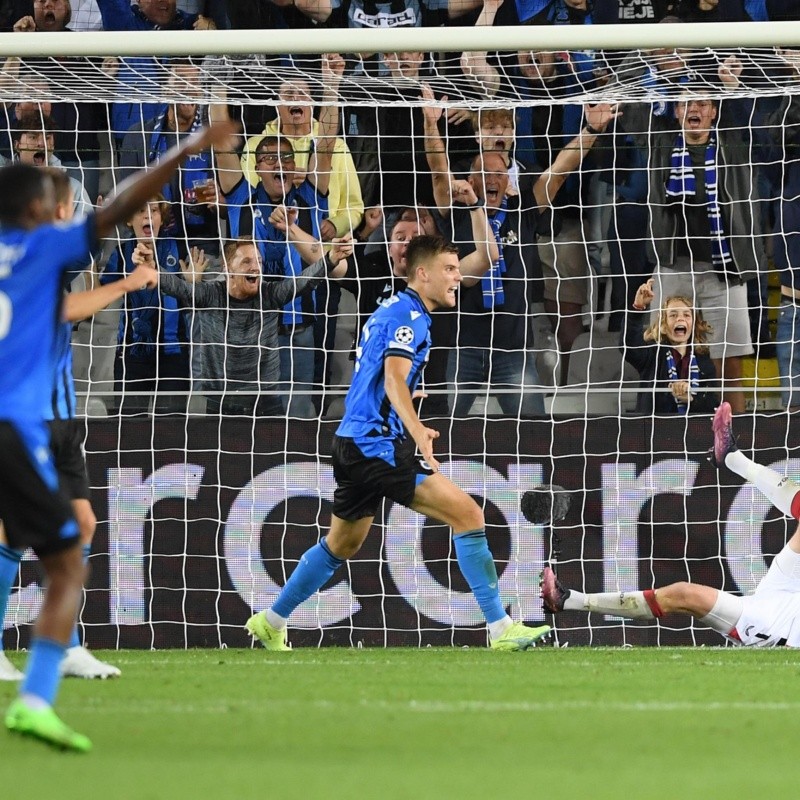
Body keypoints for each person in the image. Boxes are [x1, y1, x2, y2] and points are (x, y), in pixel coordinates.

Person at [0, 119, 234, 751]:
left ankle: (50, 670)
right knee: (63, 553)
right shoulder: (44, 248)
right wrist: (186, 150)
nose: (60, 207)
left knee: (68, 535)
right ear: (33, 209)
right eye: (53, 201)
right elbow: (123, 204)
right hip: (19, 424)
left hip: (42, 417)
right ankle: (34, 697)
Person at [246, 235, 551, 652]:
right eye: (449, 269)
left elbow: (376, 372)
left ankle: (272, 619)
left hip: (353, 441)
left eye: (458, 269)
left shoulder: (390, 308)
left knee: (343, 544)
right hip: (378, 445)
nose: (458, 276)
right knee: (468, 515)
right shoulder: (411, 316)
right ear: (421, 273)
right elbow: (391, 377)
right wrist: (417, 429)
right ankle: (500, 628)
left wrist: (406, 395)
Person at [0, 169, 157, 682]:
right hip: (29, 413)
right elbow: (61, 310)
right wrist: (129, 283)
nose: (70, 212)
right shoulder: (26, 251)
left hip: (62, 414)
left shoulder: (51, 249)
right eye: (67, 204)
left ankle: (65, 646)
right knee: (14, 533)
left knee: (82, 525)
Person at [539, 400, 800, 647]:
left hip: (777, 622)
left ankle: (567, 600)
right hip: (785, 588)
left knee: (682, 594)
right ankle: (731, 457)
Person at [157, 231, 352, 416]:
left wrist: (330, 258)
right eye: (247, 261)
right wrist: (151, 267)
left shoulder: (269, 294)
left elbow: (303, 282)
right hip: (220, 401)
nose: (256, 267)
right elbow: (177, 287)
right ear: (227, 268)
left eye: (259, 261)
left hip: (265, 402)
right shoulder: (210, 294)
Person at [100, 196, 194, 414]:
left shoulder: (179, 249)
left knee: (171, 431)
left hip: (174, 352)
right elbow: (100, 297)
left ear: (161, 218)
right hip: (132, 354)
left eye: (154, 211)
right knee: (130, 431)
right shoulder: (122, 253)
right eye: (141, 210)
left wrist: (193, 283)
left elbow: (194, 298)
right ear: (128, 221)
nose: (148, 215)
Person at [624, 278, 718, 415]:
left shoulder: (704, 361)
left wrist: (690, 398)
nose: (680, 319)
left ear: (693, 324)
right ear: (663, 325)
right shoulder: (652, 355)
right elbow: (629, 346)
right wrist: (638, 307)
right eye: (673, 315)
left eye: (686, 315)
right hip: (654, 431)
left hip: (693, 432)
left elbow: (711, 403)